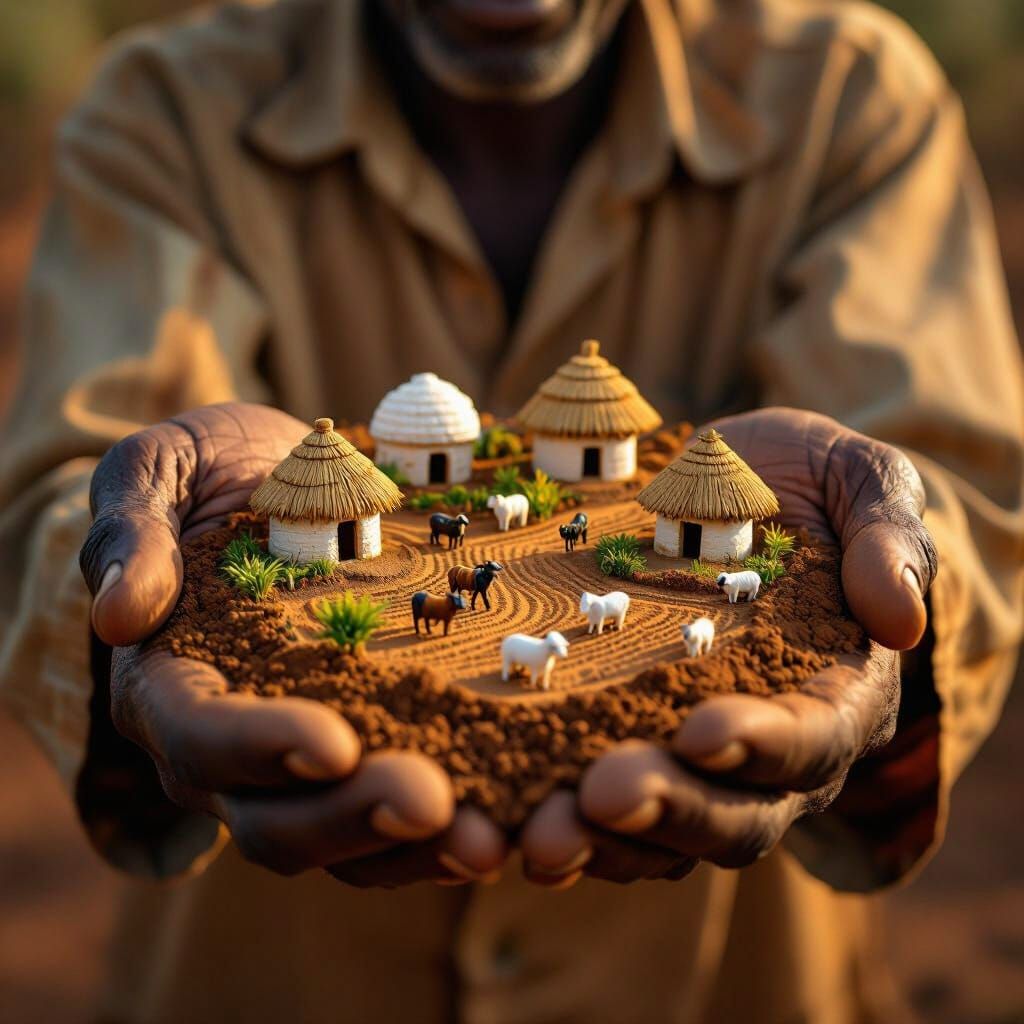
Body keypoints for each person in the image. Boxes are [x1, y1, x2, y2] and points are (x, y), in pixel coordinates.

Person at [1, 0, 1022, 1019]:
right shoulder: (167, 109)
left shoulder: (845, 96)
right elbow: (69, 489)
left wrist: (878, 603)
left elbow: (953, 492)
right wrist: (138, 602)